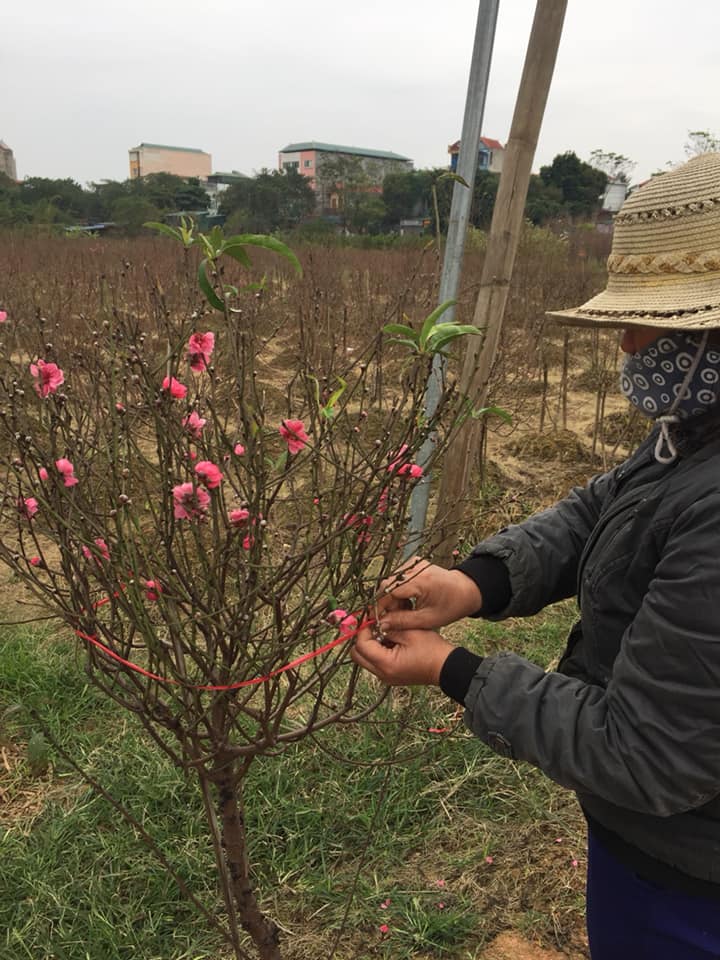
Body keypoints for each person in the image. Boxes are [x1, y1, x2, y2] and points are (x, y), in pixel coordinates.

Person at [351, 152, 720, 959]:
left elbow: (650, 754)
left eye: (648, 323)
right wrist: (475, 583)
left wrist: (455, 671)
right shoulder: (694, 436)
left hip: (692, 883)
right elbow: (604, 506)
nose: (625, 345)